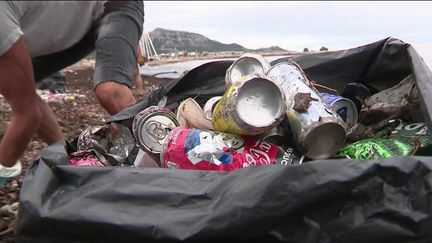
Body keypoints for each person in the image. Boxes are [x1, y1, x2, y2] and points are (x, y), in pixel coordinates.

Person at [0, 1, 144, 183]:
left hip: (114, 5)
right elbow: (27, 104)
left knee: (111, 91)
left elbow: (27, 116)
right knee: (22, 90)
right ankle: (70, 159)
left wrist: (2, 172)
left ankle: (171, 150)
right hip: (75, 32)